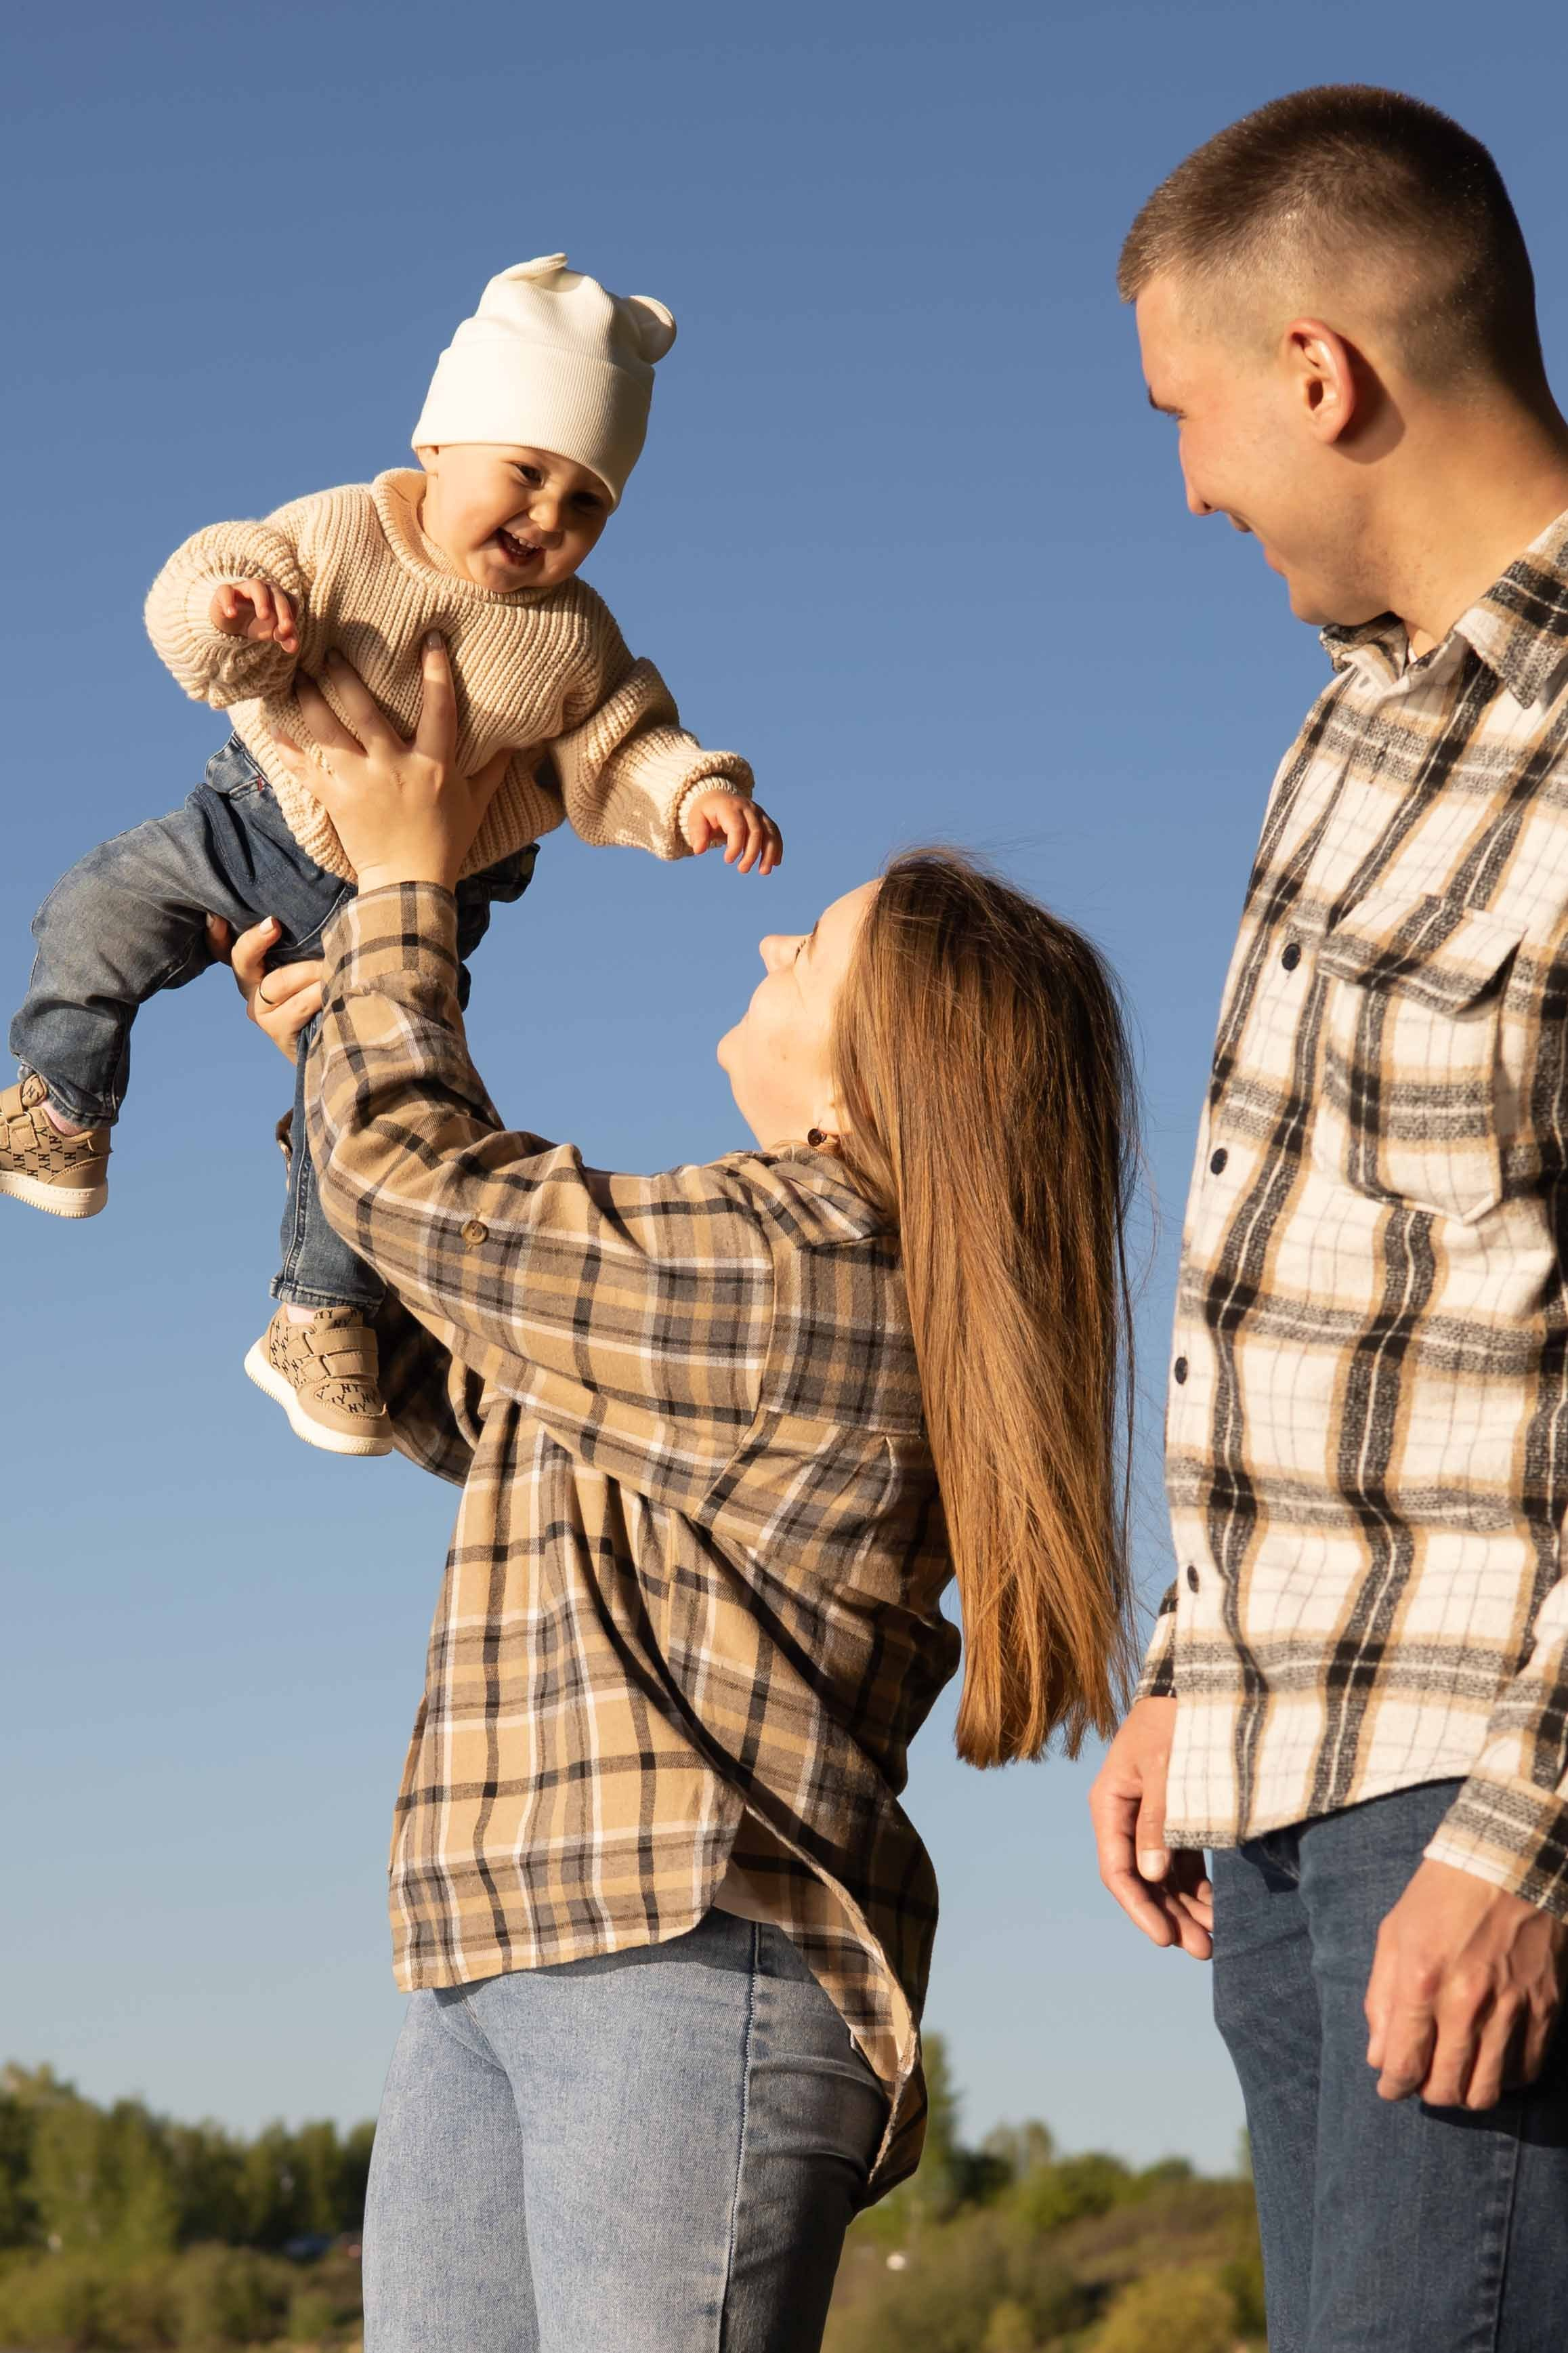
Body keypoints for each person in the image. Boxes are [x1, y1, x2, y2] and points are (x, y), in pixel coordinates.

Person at [210, 636, 1140, 2350]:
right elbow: (462, 1376)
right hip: (507, 1947)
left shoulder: (810, 1270)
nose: (780, 937)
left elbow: (432, 1198)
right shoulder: (750, 1266)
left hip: (678, 1964)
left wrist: (410, 899)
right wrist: (349, 1044)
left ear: (882, 1082)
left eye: (824, 948)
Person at [1089, 84, 1568, 2353]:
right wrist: (1193, 1659)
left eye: (1184, 409)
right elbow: (1307, 1265)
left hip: (1473, 1788)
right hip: (1276, 1789)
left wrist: (1526, 1837)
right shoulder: (1342, 730)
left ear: (1316, 373)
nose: (1179, 480)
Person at [1, 255, 780, 1457]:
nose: (548, 520)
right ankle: (61, 1101)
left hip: (411, 908)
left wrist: (695, 794)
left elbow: (621, 742)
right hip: (250, 823)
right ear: (441, 441)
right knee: (96, 905)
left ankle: (323, 1319)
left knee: (357, 1114)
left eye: (587, 505)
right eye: (527, 472)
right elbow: (225, 577)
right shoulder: (340, 531)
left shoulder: (577, 639)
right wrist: (228, 609)